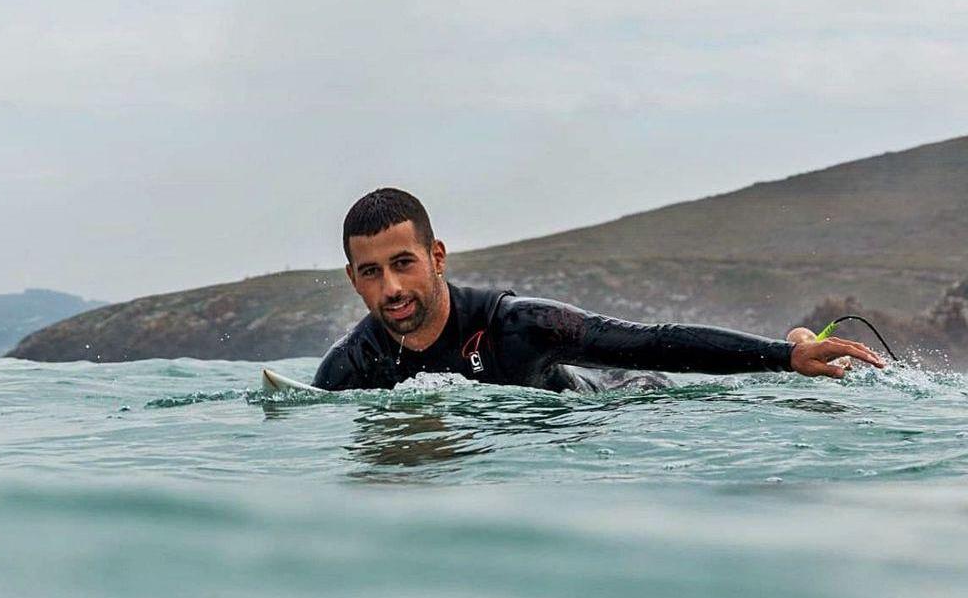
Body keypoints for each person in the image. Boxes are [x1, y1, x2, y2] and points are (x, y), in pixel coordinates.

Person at [312, 188, 885, 392]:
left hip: (623, 397)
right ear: (353, 279)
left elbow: (651, 343)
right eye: (371, 272)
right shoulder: (353, 365)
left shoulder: (518, 324)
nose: (391, 288)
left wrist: (785, 359)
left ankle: (796, 345)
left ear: (437, 258)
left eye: (404, 263)